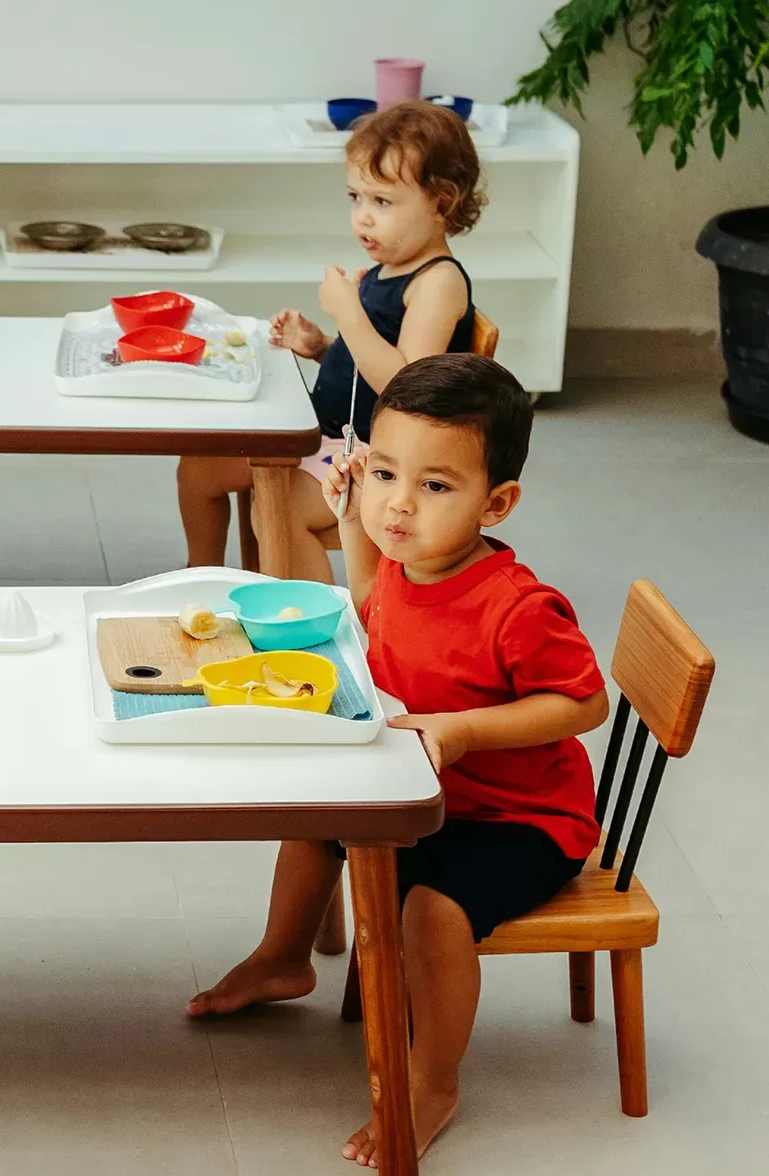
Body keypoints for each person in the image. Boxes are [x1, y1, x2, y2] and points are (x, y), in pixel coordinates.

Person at [188, 354, 611, 1168]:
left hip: (520, 820)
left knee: (429, 913)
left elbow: (584, 703)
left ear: (498, 503)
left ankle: (434, 1080)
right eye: (384, 473)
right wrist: (353, 518)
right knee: (316, 821)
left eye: (435, 487)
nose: (400, 505)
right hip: (426, 788)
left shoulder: (517, 607)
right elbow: (377, 599)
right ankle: (281, 961)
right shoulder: (414, 565)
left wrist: (462, 731)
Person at [177, 100, 486, 581]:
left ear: (441, 202)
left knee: (279, 510)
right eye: (355, 198)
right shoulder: (391, 265)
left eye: (381, 202)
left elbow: (407, 386)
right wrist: (320, 344)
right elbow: (366, 362)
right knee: (198, 468)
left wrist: (348, 310)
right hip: (326, 434)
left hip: (371, 458)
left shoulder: (437, 283)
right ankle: (202, 575)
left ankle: (307, 626)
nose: (363, 217)